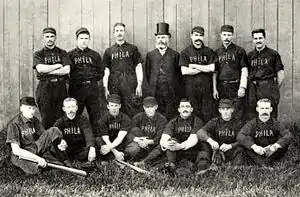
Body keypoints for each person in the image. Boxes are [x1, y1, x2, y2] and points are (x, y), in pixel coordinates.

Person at [6, 97, 68, 175]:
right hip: (22, 154)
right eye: (29, 108)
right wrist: (38, 158)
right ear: (21, 108)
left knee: (54, 130)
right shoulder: (14, 124)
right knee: (36, 169)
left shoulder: (34, 120)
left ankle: (63, 160)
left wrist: (60, 142)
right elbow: (16, 150)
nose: (32, 111)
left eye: (33, 108)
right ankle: (44, 167)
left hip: (35, 148)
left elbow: (45, 136)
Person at [67, 27, 105, 134]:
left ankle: (96, 142)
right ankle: (76, 140)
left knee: (95, 116)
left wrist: (91, 79)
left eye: (86, 38)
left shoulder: (95, 55)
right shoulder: (70, 55)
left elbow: (100, 72)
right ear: (77, 39)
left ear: (89, 39)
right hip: (76, 89)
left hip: (92, 88)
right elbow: (67, 73)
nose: (84, 40)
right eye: (81, 38)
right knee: (75, 115)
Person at [33, 27, 71, 129]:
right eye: (47, 36)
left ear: (55, 38)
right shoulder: (39, 54)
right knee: (46, 118)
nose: (49, 39)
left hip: (60, 87)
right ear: (43, 38)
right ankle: (47, 142)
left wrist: (48, 71)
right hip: (45, 87)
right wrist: (57, 65)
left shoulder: (62, 52)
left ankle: (59, 143)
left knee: (60, 117)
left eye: (52, 36)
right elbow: (40, 69)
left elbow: (67, 70)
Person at [103, 23, 143, 117]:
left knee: (130, 106)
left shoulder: (132, 48)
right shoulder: (109, 51)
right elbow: (106, 70)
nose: (119, 33)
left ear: (124, 32)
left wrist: (139, 84)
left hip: (129, 81)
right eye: (117, 31)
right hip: (114, 82)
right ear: (113, 33)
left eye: (121, 30)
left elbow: (138, 67)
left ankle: (130, 130)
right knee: (115, 106)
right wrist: (105, 87)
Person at [159, 98, 210, 173]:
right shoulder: (173, 122)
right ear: (179, 109)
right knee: (171, 141)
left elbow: (193, 139)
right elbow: (164, 137)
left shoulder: (197, 121)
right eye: (182, 107)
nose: (185, 109)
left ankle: (190, 168)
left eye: (187, 106)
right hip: (178, 152)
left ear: (191, 109)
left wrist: (179, 146)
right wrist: (167, 144)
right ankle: (172, 165)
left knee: (202, 165)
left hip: (194, 151)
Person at [179, 26, 218, 122]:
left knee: (207, 113)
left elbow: (212, 68)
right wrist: (205, 68)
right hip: (191, 88)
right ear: (191, 36)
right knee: (194, 113)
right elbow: (184, 71)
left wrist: (193, 65)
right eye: (196, 35)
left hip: (206, 88)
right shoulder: (185, 52)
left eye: (201, 36)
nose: (198, 38)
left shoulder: (209, 51)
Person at [237, 98, 292, 166]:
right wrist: (254, 147)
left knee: (284, 142)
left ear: (271, 109)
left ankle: (264, 161)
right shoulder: (252, 123)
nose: (264, 111)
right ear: (257, 109)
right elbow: (240, 136)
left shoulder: (276, 123)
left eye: (267, 108)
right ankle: (263, 162)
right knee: (245, 141)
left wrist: (274, 146)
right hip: (257, 151)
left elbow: (288, 135)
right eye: (262, 108)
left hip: (272, 151)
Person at [145, 22, 181, 120]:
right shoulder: (151, 55)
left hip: (170, 90)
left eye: (163, 37)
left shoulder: (175, 55)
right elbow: (147, 73)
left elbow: (178, 75)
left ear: (168, 38)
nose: (161, 40)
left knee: (170, 112)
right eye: (159, 37)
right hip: (155, 89)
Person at [247, 28, 284, 119]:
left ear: (264, 39)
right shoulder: (250, 55)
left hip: (268, 87)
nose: (258, 41)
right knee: (253, 114)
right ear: (253, 40)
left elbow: (280, 73)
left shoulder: (273, 54)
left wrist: (273, 87)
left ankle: (271, 133)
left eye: (260, 38)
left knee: (270, 114)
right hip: (253, 89)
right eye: (255, 38)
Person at [213, 25, 248, 120]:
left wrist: (242, 87)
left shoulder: (239, 51)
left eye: (229, 35)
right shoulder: (216, 52)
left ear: (232, 36)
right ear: (220, 35)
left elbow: (244, 69)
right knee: (223, 112)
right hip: (222, 87)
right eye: (224, 35)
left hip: (235, 86)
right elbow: (215, 72)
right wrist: (214, 89)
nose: (226, 37)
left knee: (237, 112)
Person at [197, 99, 245, 166]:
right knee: (203, 161)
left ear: (232, 110)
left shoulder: (238, 123)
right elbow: (200, 132)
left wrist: (231, 146)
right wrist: (211, 141)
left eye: (228, 109)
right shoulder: (215, 121)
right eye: (223, 109)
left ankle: (233, 166)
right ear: (220, 110)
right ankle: (210, 165)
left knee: (240, 152)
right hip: (216, 149)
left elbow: (244, 139)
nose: (225, 112)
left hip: (231, 150)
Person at [124, 97, 167, 167]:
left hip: (153, 146)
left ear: (156, 107)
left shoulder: (162, 119)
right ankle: (125, 158)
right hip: (140, 144)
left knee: (163, 145)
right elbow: (128, 132)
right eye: (147, 107)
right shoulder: (138, 117)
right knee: (133, 146)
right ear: (144, 107)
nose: (149, 110)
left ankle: (144, 161)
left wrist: (148, 142)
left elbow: (160, 136)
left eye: (152, 107)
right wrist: (137, 140)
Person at [54, 98, 96, 166]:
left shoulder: (83, 120)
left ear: (76, 108)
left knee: (93, 146)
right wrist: (60, 141)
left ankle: (78, 162)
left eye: (73, 106)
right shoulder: (60, 122)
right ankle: (66, 161)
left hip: (80, 150)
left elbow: (89, 134)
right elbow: (54, 134)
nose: (71, 110)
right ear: (64, 109)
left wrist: (92, 148)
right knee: (55, 148)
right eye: (68, 107)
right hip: (66, 150)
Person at [95, 94, 131, 161]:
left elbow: (120, 137)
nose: (114, 108)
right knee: (98, 140)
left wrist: (109, 148)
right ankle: (114, 158)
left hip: (119, 143)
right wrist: (116, 152)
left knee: (130, 149)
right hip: (107, 142)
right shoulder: (103, 120)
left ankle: (113, 158)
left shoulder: (125, 119)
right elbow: (106, 139)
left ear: (120, 106)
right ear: (108, 106)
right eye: (111, 105)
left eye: (116, 105)